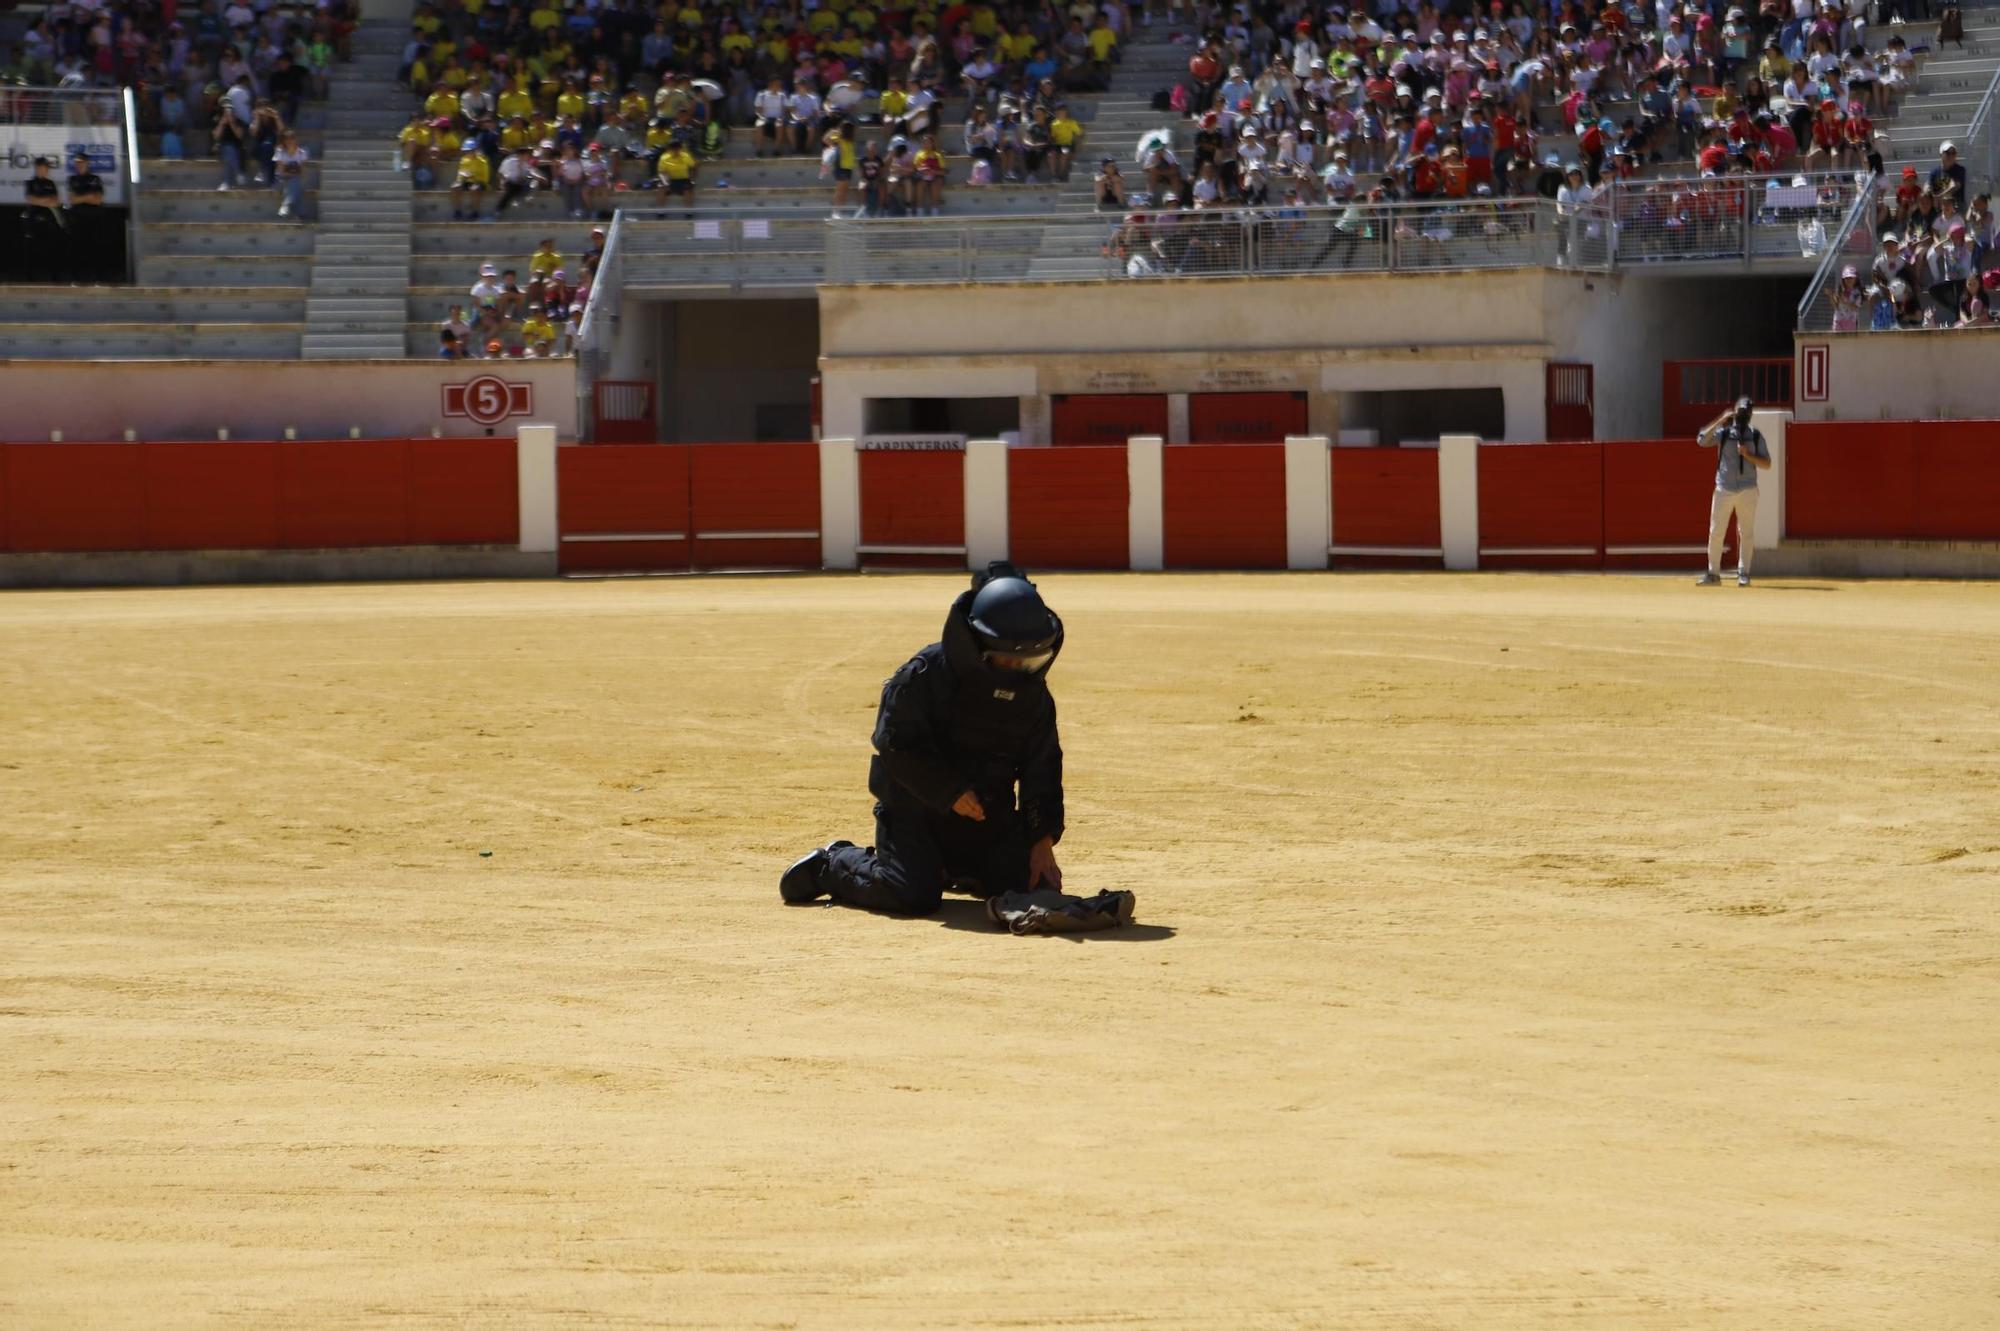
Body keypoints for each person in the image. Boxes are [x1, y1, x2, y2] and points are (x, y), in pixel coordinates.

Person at [779, 563, 1074, 917]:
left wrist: (1041, 842)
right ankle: (832, 863)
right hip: (915, 812)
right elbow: (894, 744)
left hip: (987, 817)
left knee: (1032, 887)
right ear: (979, 644)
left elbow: (1041, 767)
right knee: (912, 896)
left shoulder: (1034, 697)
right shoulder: (923, 675)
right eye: (1007, 657)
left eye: (1027, 659)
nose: (1017, 667)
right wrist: (948, 790)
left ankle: (958, 870)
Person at [1696, 396, 1771, 587]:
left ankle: (1743, 573)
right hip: (1724, 489)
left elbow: (1767, 463)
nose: (1743, 415)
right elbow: (1702, 440)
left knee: (1745, 532)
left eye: (1746, 412)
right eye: (1741, 411)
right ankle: (1713, 574)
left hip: (1747, 489)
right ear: (1735, 412)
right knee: (1716, 531)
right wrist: (1721, 419)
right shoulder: (1725, 432)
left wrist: (1748, 454)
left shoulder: (1755, 435)